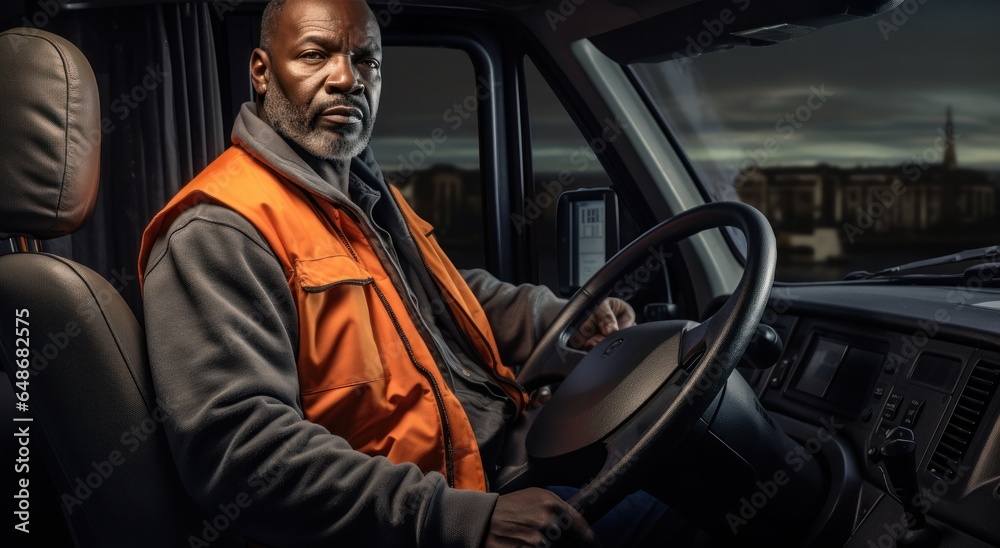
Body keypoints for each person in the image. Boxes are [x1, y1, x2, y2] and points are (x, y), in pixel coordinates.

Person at [139, 0, 650, 545]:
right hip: (427, 520)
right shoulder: (220, 230)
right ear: (262, 72)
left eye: (367, 62)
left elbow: (436, 300)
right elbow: (240, 452)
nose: (347, 79)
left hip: (499, 463)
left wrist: (563, 318)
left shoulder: (356, 191)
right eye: (316, 55)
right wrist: (464, 520)